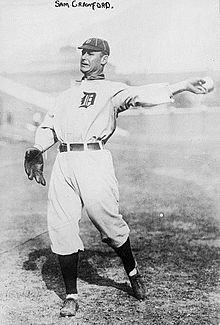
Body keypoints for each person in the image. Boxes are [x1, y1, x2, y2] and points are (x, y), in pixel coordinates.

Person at [24, 37, 210, 317]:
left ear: (104, 58)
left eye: (91, 53)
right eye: (83, 52)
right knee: (61, 227)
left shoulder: (113, 90)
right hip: (64, 160)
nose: (85, 57)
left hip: (94, 159)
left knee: (108, 223)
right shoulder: (66, 94)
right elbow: (49, 125)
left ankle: (132, 271)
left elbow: (141, 95)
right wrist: (37, 149)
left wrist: (181, 85)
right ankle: (71, 296)